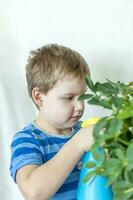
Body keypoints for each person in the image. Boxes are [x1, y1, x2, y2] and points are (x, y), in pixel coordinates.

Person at [10, 44, 94, 200]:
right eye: (69, 98)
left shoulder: (83, 131)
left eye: (83, 96)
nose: (80, 106)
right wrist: (77, 144)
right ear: (39, 97)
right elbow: (33, 192)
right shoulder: (27, 140)